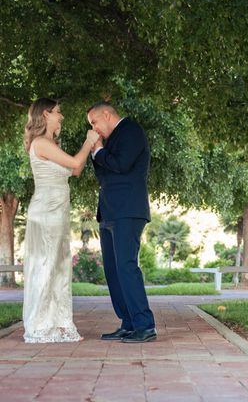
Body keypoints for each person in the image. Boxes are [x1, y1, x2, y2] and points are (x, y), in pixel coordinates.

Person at [22, 98, 100, 343]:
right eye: (57, 112)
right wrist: (89, 142)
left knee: (59, 266)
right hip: (46, 213)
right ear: (45, 115)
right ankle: (40, 324)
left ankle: (58, 322)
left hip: (58, 213)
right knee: (45, 266)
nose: (61, 116)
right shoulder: (41, 143)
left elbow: (74, 170)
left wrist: (87, 147)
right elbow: (77, 162)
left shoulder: (50, 144)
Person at [87, 101, 156, 343]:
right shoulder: (111, 141)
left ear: (106, 114)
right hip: (108, 212)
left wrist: (97, 150)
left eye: (94, 122)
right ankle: (128, 323)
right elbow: (104, 174)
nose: (94, 129)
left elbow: (121, 165)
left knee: (126, 267)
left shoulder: (131, 131)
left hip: (128, 210)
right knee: (113, 271)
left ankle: (145, 325)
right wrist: (100, 153)